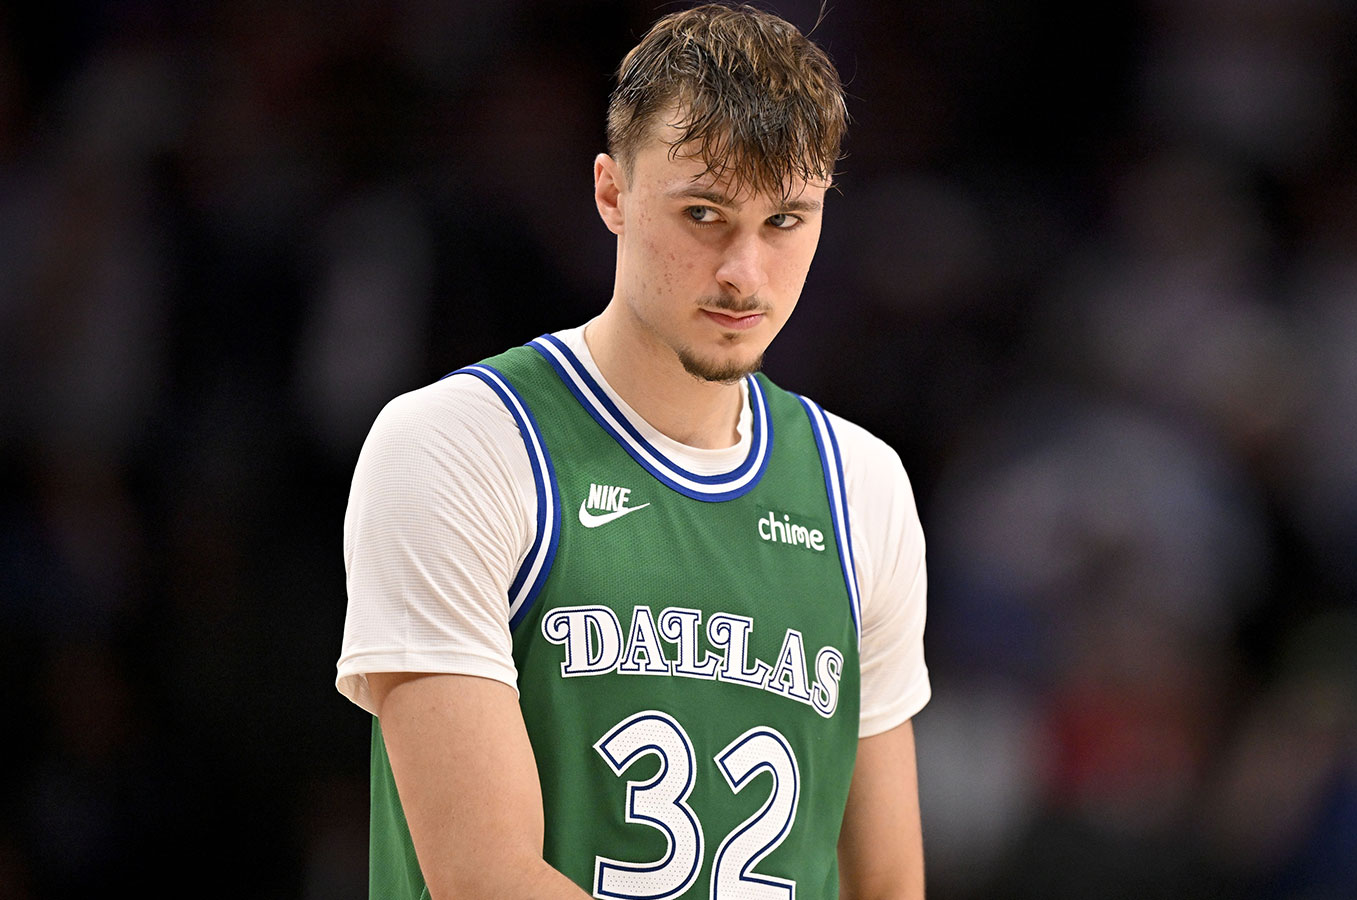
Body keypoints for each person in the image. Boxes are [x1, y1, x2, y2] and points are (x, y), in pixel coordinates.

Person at [336, 3, 930, 897]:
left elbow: (887, 886)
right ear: (612, 192)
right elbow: (485, 878)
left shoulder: (864, 488)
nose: (744, 273)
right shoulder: (457, 445)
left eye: (784, 222)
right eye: (704, 213)